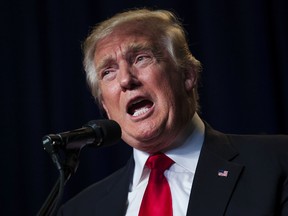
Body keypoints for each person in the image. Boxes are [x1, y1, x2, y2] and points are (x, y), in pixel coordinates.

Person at [57, 8, 288, 216]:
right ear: (105, 107)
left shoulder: (277, 162)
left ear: (187, 75)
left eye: (141, 58)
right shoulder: (79, 210)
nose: (126, 79)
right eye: (108, 72)